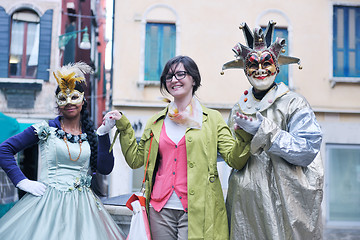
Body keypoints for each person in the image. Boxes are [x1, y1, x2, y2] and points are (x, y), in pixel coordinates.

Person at [99, 55, 252, 240]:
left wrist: (244, 136)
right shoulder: (155, 122)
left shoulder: (212, 119)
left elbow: (234, 159)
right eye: (169, 76)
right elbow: (135, 160)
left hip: (199, 209)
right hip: (159, 210)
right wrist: (124, 127)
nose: (174, 80)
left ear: (193, 79)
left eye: (180, 74)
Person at [221, 21, 324, 240]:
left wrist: (264, 131)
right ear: (244, 69)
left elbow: (307, 150)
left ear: (277, 66)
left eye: (266, 63)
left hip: (283, 211)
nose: (259, 70)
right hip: (244, 210)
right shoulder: (239, 109)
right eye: (252, 64)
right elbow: (229, 155)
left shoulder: (295, 103)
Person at [0, 62, 124, 239]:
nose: (68, 103)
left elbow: (105, 169)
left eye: (74, 97)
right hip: (46, 205)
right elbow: (4, 149)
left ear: (83, 100)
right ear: (57, 102)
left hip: (82, 210)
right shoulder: (44, 129)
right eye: (62, 98)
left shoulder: (90, 134)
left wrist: (103, 134)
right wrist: (22, 181)